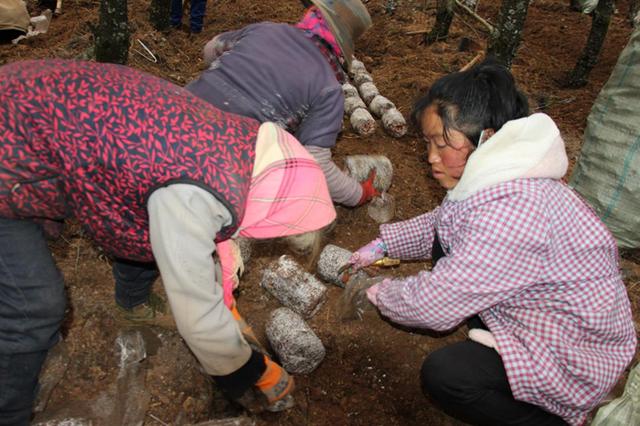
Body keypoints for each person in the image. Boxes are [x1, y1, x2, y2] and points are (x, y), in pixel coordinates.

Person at [0, 59, 336, 425]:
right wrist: (251, 370)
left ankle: (30, 354)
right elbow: (197, 317)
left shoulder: (237, 142)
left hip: (30, 112)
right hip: (11, 141)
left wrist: (219, 285)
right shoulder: (192, 196)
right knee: (34, 304)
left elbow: (201, 221)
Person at [345, 59, 637, 425]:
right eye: (428, 143)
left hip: (573, 353)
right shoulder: (499, 175)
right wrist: (385, 244)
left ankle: (549, 419)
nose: (431, 158)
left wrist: (380, 291)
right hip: (543, 313)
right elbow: (444, 223)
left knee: (448, 376)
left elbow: (435, 306)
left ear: (487, 137)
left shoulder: (512, 211)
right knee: (448, 251)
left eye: (442, 144)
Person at [185, 0, 379, 207]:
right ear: (344, 43)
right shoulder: (328, 88)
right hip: (218, 164)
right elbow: (316, 163)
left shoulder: (265, 29)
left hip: (173, 115)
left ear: (312, 14)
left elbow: (209, 50)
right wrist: (358, 194)